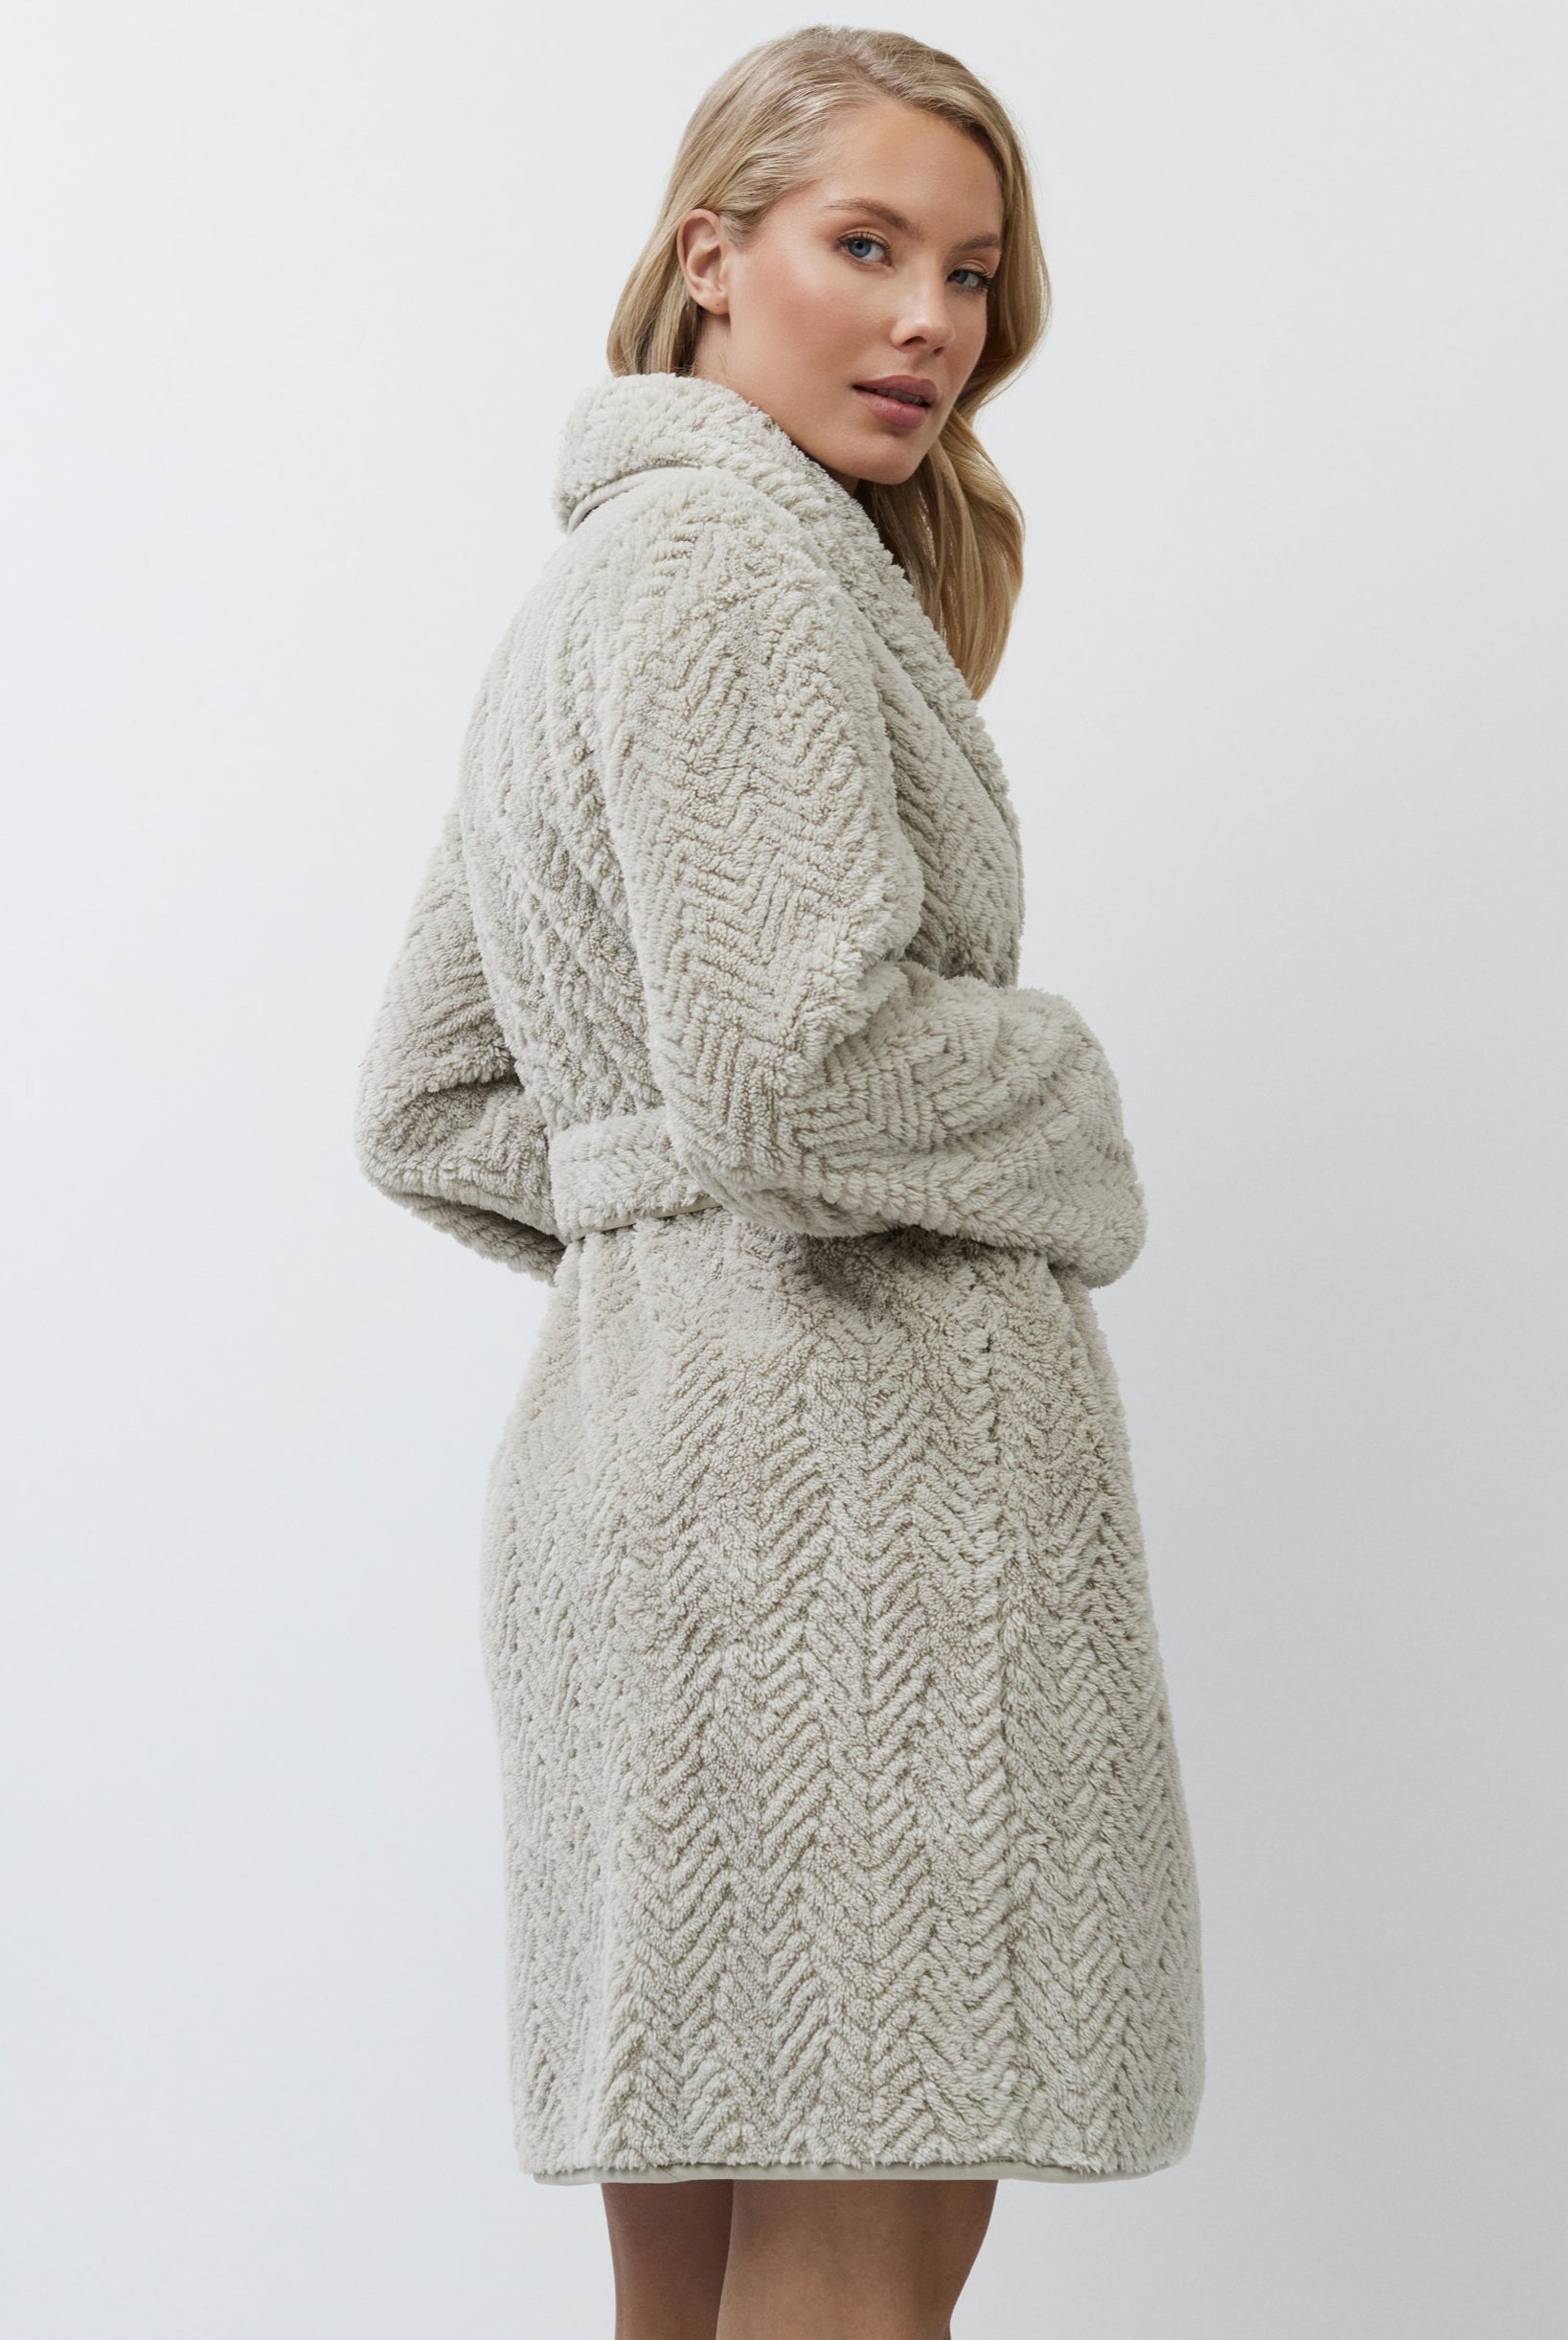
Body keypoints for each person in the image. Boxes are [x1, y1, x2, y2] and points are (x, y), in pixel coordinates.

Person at [352, 25, 1204, 2338]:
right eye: (868, 246)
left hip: (662, 1493)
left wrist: (661, 1202)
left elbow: (429, 1098)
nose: (930, 317)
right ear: (710, 259)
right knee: (858, 2263)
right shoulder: (737, 568)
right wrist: (1073, 1111)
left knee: (704, 2265)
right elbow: (796, 1064)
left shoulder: (602, 585)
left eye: (970, 272)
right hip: (850, 1531)